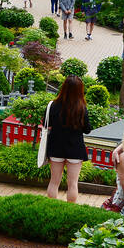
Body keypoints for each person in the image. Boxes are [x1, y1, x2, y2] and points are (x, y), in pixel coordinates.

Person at [42, 75, 90, 203]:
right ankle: (69, 209)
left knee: (54, 182)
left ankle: (52, 207)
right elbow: (87, 129)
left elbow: (46, 124)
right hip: (75, 149)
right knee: (73, 184)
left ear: (63, 88)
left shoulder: (53, 105)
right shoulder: (82, 108)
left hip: (56, 147)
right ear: (80, 90)